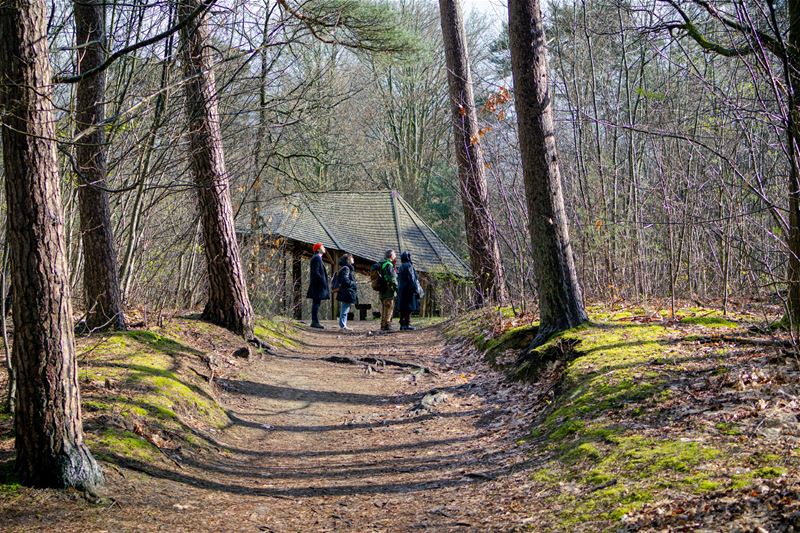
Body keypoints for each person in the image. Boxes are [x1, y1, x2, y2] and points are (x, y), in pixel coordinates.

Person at [396, 251, 422, 330]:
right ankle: (407, 324)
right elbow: (412, 279)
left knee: (403, 307)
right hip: (409, 289)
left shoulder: (400, 267)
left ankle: (402, 324)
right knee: (409, 307)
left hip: (401, 289)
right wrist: (416, 289)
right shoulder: (409, 266)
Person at [307, 242, 329, 328]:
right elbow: (315, 272)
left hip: (317, 285)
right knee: (316, 303)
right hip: (317, 285)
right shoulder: (317, 258)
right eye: (322, 246)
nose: (324, 248)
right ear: (318, 249)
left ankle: (315, 321)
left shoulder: (317, 258)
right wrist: (322, 281)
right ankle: (314, 322)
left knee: (316, 303)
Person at [336, 254, 357, 330]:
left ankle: (343, 324)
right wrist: (353, 283)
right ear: (348, 259)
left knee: (346, 308)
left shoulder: (346, 268)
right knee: (345, 308)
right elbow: (345, 280)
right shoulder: (346, 269)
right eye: (352, 258)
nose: (353, 259)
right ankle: (342, 325)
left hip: (347, 291)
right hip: (347, 292)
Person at [378, 249, 398, 331]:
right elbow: (392, 278)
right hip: (388, 290)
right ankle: (387, 326)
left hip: (382, 289)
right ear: (391, 256)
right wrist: (396, 288)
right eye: (394, 254)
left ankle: (383, 326)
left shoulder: (382, 264)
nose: (395, 255)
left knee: (384, 308)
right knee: (389, 307)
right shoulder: (389, 265)